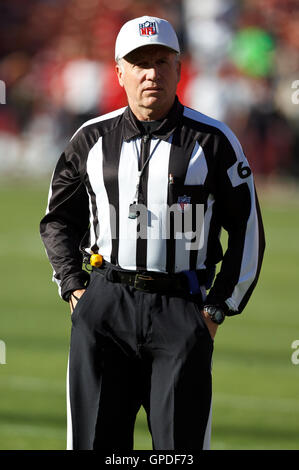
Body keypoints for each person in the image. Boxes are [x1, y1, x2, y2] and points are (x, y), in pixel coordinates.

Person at [40, 16, 265, 451]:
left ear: (180, 68)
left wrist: (217, 309)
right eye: (139, 63)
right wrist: (73, 287)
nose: (151, 74)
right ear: (119, 71)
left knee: (179, 449)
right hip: (104, 305)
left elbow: (247, 228)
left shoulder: (215, 141)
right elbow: (57, 221)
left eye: (162, 61)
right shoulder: (90, 139)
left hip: (181, 308)